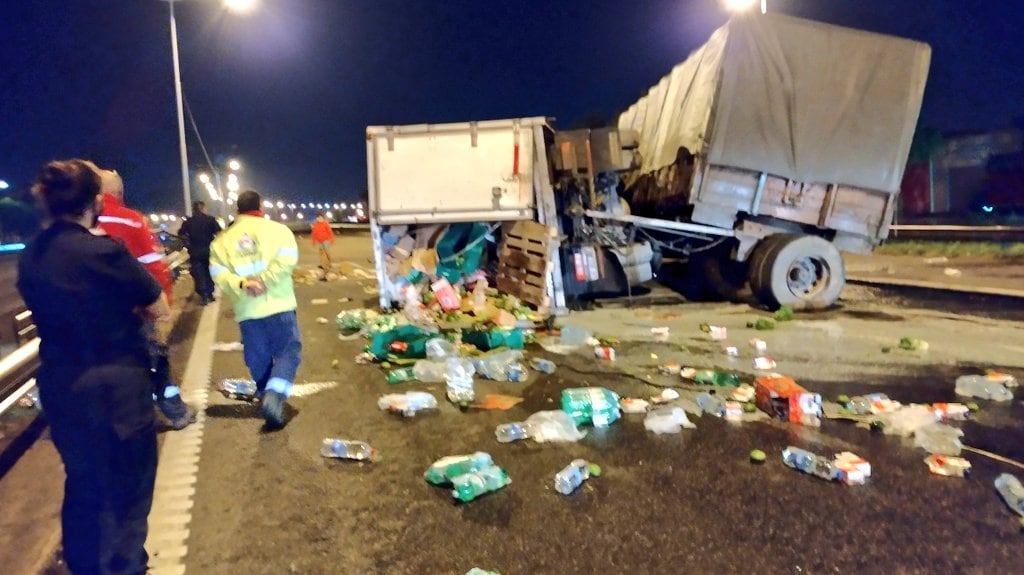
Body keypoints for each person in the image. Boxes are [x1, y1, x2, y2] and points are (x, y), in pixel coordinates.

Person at [17, 159, 167, 575]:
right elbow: (158, 305)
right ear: (96, 201)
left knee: (83, 483)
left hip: (63, 385)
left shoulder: (32, 256)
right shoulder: (105, 251)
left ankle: (85, 565)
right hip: (118, 386)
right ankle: (127, 564)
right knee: (131, 484)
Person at [93, 166, 196, 430]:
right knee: (156, 361)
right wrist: (163, 306)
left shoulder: (77, 225)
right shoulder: (131, 219)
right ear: (118, 191)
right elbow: (153, 266)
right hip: (134, 310)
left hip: (91, 316)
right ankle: (175, 412)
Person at [210, 190, 301, 428]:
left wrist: (243, 283)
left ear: (237, 210)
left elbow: (218, 274)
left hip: (248, 311)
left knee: (257, 356)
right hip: (280, 306)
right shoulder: (279, 231)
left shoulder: (221, 241)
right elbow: (287, 260)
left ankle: (263, 391)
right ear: (260, 207)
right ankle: (275, 395)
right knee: (287, 351)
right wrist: (266, 280)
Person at [178, 200, 223, 305]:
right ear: (203, 208)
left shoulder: (188, 221)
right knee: (209, 272)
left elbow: (181, 234)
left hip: (195, 251)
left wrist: (188, 241)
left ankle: (204, 295)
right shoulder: (210, 219)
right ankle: (210, 294)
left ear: (194, 210)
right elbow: (219, 232)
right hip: (209, 250)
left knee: (198, 273)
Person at [310, 211, 334, 276]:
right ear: (317, 218)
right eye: (318, 218)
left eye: (321, 217)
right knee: (321, 252)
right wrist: (314, 241)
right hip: (320, 241)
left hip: (326, 240)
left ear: (323, 218)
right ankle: (322, 265)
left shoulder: (325, 224)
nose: (319, 219)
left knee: (327, 252)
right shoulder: (316, 225)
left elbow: (330, 232)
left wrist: (332, 239)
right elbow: (314, 234)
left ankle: (329, 263)